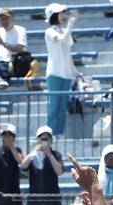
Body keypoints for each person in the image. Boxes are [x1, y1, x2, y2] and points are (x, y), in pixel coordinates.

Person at [43, 3, 77, 134]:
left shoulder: (64, 31)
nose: (63, 15)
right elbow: (62, 40)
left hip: (66, 73)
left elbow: (67, 53)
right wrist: (71, 23)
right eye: (60, 13)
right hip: (55, 72)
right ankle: (49, 134)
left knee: (62, 105)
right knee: (54, 105)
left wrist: (75, 72)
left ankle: (59, 133)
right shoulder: (50, 31)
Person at [0, 7, 27, 90]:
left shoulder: (20, 30)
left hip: (13, 63)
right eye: (2, 19)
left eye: (7, 18)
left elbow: (19, 48)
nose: (4, 21)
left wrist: (3, 43)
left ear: (12, 18)